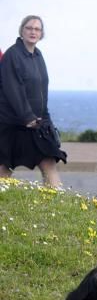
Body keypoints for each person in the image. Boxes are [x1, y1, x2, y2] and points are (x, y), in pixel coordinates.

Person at [0, 15, 66, 189]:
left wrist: (46, 119)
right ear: (22, 30)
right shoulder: (12, 55)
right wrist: (27, 116)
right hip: (13, 123)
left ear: (41, 33)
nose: (33, 32)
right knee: (5, 167)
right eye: (29, 28)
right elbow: (13, 89)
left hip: (35, 123)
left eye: (37, 29)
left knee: (48, 160)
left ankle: (55, 204)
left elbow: (41, 92)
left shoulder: (38, 55)